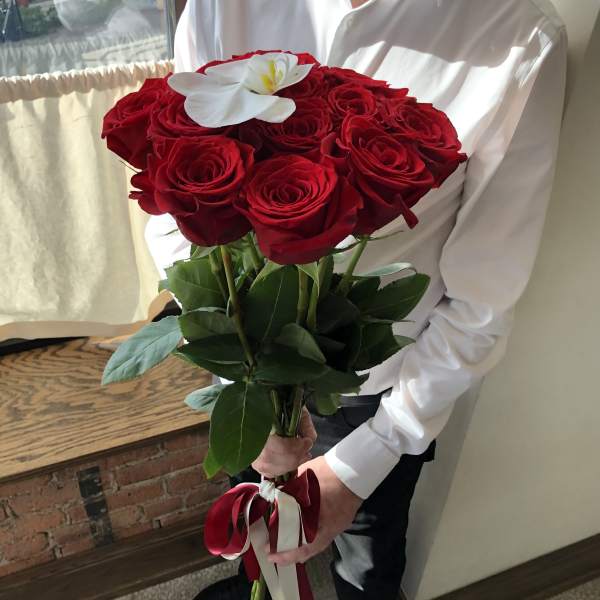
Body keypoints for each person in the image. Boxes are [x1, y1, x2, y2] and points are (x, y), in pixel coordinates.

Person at [145, 1, 567, 598]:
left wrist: (365, 460)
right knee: (259, 529)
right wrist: (238, 375)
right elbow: (174, 200)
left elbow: (484, 299)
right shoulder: (222, 6)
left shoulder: (518, 37)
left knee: (367, 567)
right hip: (246, 362)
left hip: (379, 395)